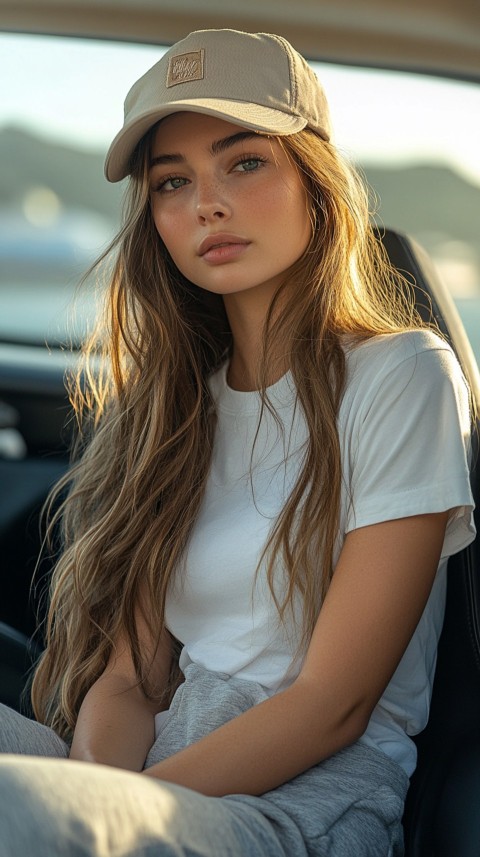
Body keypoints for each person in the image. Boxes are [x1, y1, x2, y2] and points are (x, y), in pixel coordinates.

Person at [0, 28, 475, 857]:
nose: (205, 204)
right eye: (172, 182)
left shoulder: (403, 375)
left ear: (315, 180)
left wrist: (108, 812)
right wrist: (97, 795)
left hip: (304, 809)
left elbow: (334, 701)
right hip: (161, 773)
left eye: (244, 162)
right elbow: (130, 679)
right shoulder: (177, 406)